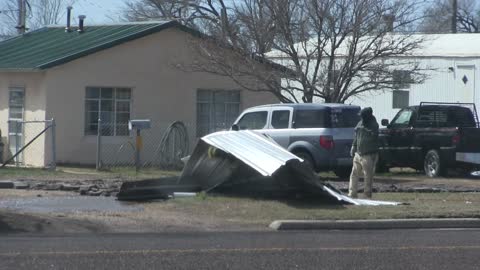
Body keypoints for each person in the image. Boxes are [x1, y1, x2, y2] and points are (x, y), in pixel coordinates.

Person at [349, 107, 379, 199]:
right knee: (354, 174)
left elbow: (374, 135)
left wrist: (364, 129)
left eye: (363, 116)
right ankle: (352, 194)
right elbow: (356, 135)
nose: (361, 118)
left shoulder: (374, 124)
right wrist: (353, 146)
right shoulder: (360, 123)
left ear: (367, 116)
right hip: (358, 153)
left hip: (369, 154)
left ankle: (367, 195)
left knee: (368, 175)